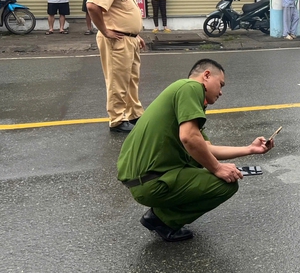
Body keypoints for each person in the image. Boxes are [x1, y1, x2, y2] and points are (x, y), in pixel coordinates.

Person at [117, 59, 275, 242]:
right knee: (224, 183)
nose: (221, 91)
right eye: (221, 84)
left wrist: (249, 149)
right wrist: (217, 168)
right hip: (150, 182)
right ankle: (162, 220)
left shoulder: (185, 95)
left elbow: (205, 148)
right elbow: (189, 138)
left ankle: (159, 215)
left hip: (142, 180)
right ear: (206, 75)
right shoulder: (191, 87)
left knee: (204, 163)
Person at [87, 0, 146, 133]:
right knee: (117, 80)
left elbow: (122, 12)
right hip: (116, 40)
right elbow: (92, 7)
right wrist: (105, 31)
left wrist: (135, 35)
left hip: (129, 39)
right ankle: (118, 120)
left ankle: (134, 113)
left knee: (131, 79)